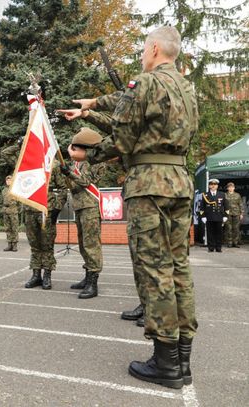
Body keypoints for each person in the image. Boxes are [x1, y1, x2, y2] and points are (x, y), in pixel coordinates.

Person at [60, 26, 198, 389]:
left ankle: (164, 362)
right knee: (178, 268)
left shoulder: (145, 83)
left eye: (142, 50)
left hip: (149, 184)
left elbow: (121, 138)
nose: (141, 56)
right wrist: (92, 106)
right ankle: (182, 360)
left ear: (154, 48)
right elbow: (129, 101)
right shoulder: (187, 87)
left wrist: (90, 154)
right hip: (180, 181)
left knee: (154, 270)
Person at [62, 128, 105, 299]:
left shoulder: (95, 162)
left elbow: (86, 182)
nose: (73, 150)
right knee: (82, 244)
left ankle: (93, 283)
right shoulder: (77, 164)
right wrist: (68, 172)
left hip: (90, 206)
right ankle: (87, 277)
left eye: (76, 148)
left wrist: (69, 173)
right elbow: (73, 186)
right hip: (79, 207)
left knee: (91, 245)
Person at [23, 163, 67, 290]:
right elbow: (6, 154)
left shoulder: (54, 165)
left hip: (46, 210)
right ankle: (36, 275)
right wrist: (20, 144)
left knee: (47, 245)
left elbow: (63, 188)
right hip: (30, 208)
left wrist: (57, 208)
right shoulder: (28, 161)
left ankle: (47, 275)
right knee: (34, 245)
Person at [199, 179, 228, 252]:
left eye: (215, 185)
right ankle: (211, 248)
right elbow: (202, 207)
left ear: (217, 186)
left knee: (219, 233)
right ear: (209, 186)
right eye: (211, 184)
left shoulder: (222, 194)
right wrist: (203, 216)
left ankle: (218, 248)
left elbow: (226, 206)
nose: (213, 186)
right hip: (209, 216)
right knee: (210, 233)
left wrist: (225, 216)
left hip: (219, 216)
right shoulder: (205, 195)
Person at [1, 175, 19, 252]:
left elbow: (19, 201)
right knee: (7, 228)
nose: (8, 181)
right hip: (6, 210)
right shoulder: (4, 190)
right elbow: (2, 200)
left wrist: (17, 209)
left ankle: (14, 245)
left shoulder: (15, 190)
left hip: (13, 210)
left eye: (10, 180)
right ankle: (9, 244)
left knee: (14, 228)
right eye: (7, 180)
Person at [224, 182, 243, 248]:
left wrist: (241, 213)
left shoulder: (237, 195)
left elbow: (240, 204)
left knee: (236, 229)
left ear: (234, 188)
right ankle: (229, 242)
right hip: (228, 214)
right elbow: (223, 205)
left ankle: (235, 242)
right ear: (227, 188)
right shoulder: (225, 195)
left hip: (236, 213)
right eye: (229, 187)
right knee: (228, 229)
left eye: (232, 187)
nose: (231, 188)